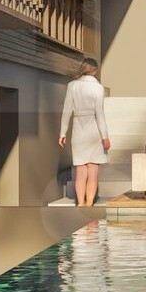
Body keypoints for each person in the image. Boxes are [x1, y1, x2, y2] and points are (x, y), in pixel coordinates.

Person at [58, 59, 110, 206]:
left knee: (81, 171)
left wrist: (62, 133)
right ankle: (89, 204)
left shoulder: (72, 85)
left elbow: (67, 111)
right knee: (93, 171)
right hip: (94, 132)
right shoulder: (98, 88)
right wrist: (105, 137)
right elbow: (100, 114)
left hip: (78, 132)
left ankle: (80, 204)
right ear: (95, 70)